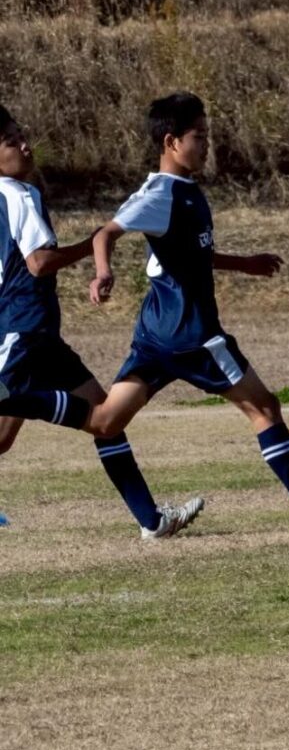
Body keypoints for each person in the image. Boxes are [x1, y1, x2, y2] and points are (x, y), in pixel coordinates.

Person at [6, 92, 289, 541]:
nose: (207, 145)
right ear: (171, 141)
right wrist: (103, 271)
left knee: (105, 421)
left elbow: (190, 256)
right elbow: (108, 232)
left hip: (156, 337)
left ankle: (150, 519)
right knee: (264, 408)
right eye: (200, 137)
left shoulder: (184, 192)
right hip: (192, 334)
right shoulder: (159, 193)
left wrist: (245, 263)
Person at [0, 103, 201, 538]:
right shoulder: (17, 195)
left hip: (37, 335)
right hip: (23, 335)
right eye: (11, 141)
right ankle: (151, 519)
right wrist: (90, 244)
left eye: (22, 135)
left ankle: (152, 521)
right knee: (82, 419)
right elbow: (39, 263)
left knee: (106, 418)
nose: (25, 146)